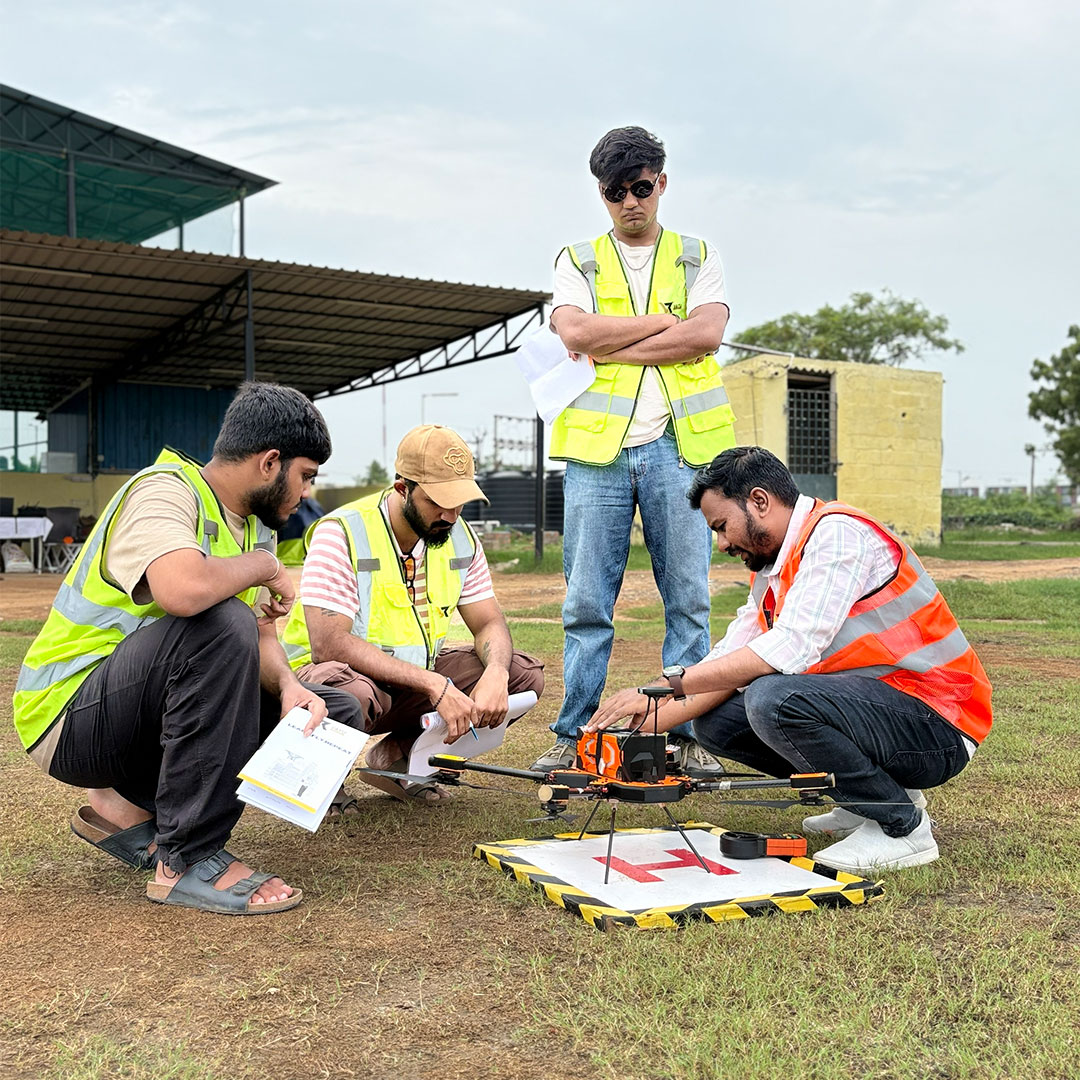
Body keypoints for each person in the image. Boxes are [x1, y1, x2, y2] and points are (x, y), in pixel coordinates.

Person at [13, 382, 363, 915]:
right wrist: (266, 569)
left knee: (333, 710)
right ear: (271, 462)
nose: (306, 491)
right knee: (222, 621)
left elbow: (261, 639)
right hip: (68, 720)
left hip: (134, 716)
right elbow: (184, 591)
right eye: (306, 475)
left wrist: (292, 687)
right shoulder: (164, 491)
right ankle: (187, 859)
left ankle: (127, 804)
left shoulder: (254, 530)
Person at [587, 446, 992, 874]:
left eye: (723, 527)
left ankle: (902, 827)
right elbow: (731, 658)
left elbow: (788, 649)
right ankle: (867, 800)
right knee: (716, 723)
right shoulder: (773, 569)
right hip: (885, 711)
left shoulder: (837, 535)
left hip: (939, 722)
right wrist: (640, 725)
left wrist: (668, 685)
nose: (722, 543)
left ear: (759, 501)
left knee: (772, 699)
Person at [533, 125, 738, 777]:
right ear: (601, 194)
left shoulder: (697, 254)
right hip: (599, 453)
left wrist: (610, 342)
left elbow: (704, 335)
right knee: (587, 602)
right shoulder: (578, 258)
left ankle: (685, 735)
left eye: (641, 187)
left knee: (689, 599)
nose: (630, 202)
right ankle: (575, 735)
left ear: (662, 183)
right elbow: (574, 329)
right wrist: (659, 324)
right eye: (614, 192)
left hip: (681, 449)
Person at [283, 424, 544, 803]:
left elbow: (488, 622)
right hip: (337, 681)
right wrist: (435, 686)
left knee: (523, 677)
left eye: (459, 502)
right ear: (402, 488)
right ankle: (324, 781)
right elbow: (328, 644)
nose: (451, 515)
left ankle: (399, 760)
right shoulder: (341, 532)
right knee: (349, 693)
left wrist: (497, 672)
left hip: (411, 684)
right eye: (438, 502)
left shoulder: (460, 537)